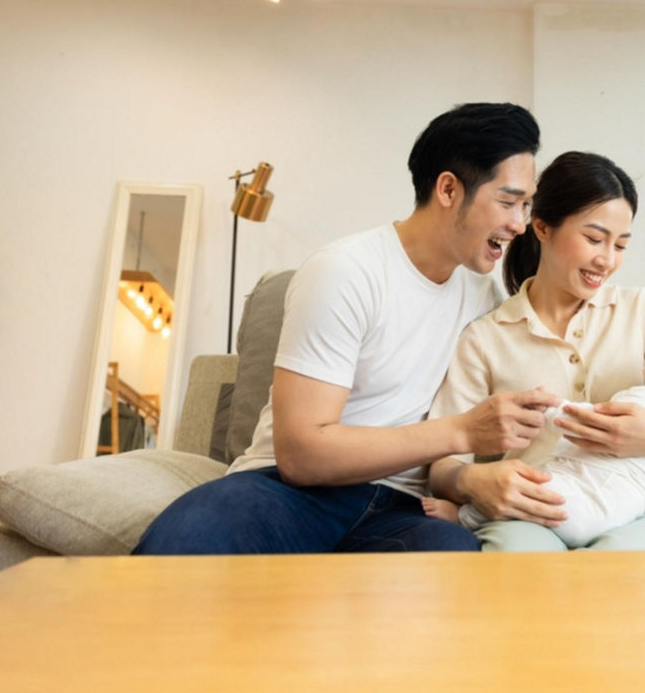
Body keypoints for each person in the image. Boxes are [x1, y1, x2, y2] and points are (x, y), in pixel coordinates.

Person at [134, 102, 562, 555]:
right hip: (285, 490)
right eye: (509, 202)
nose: (519, 224)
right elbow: (302, 456)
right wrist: (462, 431)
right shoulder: (345, 272)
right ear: (449, 189)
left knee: (450, 559)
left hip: (403, 507)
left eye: (526, 205)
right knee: (187, 542)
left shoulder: (483, 299)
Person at [425, 150, 645, 551]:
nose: (607, 260)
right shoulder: (485, 339)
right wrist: (469, 483)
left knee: (621, 568)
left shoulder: (643, 312)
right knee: (523, 566)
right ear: (541, 227)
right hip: (532, 510)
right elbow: (443, 463)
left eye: (621, 245)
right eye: (594, 238)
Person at [423, 325, 645, 548]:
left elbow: (584, 423)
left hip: (583, 498)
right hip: (619, 508)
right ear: (542, 229)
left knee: (537, 495)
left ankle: (464, 516)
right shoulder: (488, 334)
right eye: (594, 238)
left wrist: (551, 408)